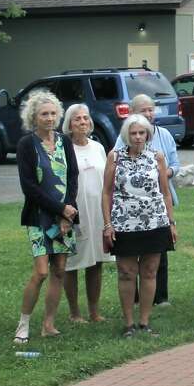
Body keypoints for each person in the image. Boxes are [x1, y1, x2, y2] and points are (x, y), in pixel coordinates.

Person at [102, 114, 177, 337]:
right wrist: (107, 224)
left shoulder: (157, 157)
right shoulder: (115, 157)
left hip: (155, 221)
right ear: (126, 135)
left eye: (141, 133)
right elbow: (106, 192)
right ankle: (128, 324)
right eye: (133, 133)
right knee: (126, 272)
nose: (137, 137)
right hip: (124, 223)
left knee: (150, 271)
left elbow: (165, 193)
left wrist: (171, 222)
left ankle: (144, 322)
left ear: (147, 135)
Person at [14, 89, 79, 344]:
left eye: (53, 113)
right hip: (38, 217)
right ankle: (23, 323)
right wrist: (59, 209)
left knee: (60, 269)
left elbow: (72, 177)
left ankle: (49, 323)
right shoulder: (26, 145)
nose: (50, 118)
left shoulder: (65, 141)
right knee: (41, 272)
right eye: (44, 114)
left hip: (65, 216)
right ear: (34, 117)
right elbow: (29, 186)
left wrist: (68, 211)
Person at [113, 94, 179, 307]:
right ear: (132, 114)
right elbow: (116, 166)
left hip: (158, 201)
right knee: (132, 258)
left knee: (158, 254)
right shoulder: (125, 137)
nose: (149, 114)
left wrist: (164, 172)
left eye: (151, 109)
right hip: (130, 208)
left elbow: (175, 163)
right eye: (144, 110)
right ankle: (134, 298)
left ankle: (160, 296)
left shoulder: (165, 135)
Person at [62, 104, 113, 322]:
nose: (83, 122)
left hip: (98, 212)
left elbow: (106, 182)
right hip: (76, 212)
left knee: (97, 261)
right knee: (72, 263)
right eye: (77, 119)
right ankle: (74, 312)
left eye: (85, 118)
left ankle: (94, 311)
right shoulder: (64, 149)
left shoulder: (98, 147)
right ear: (69, 125)